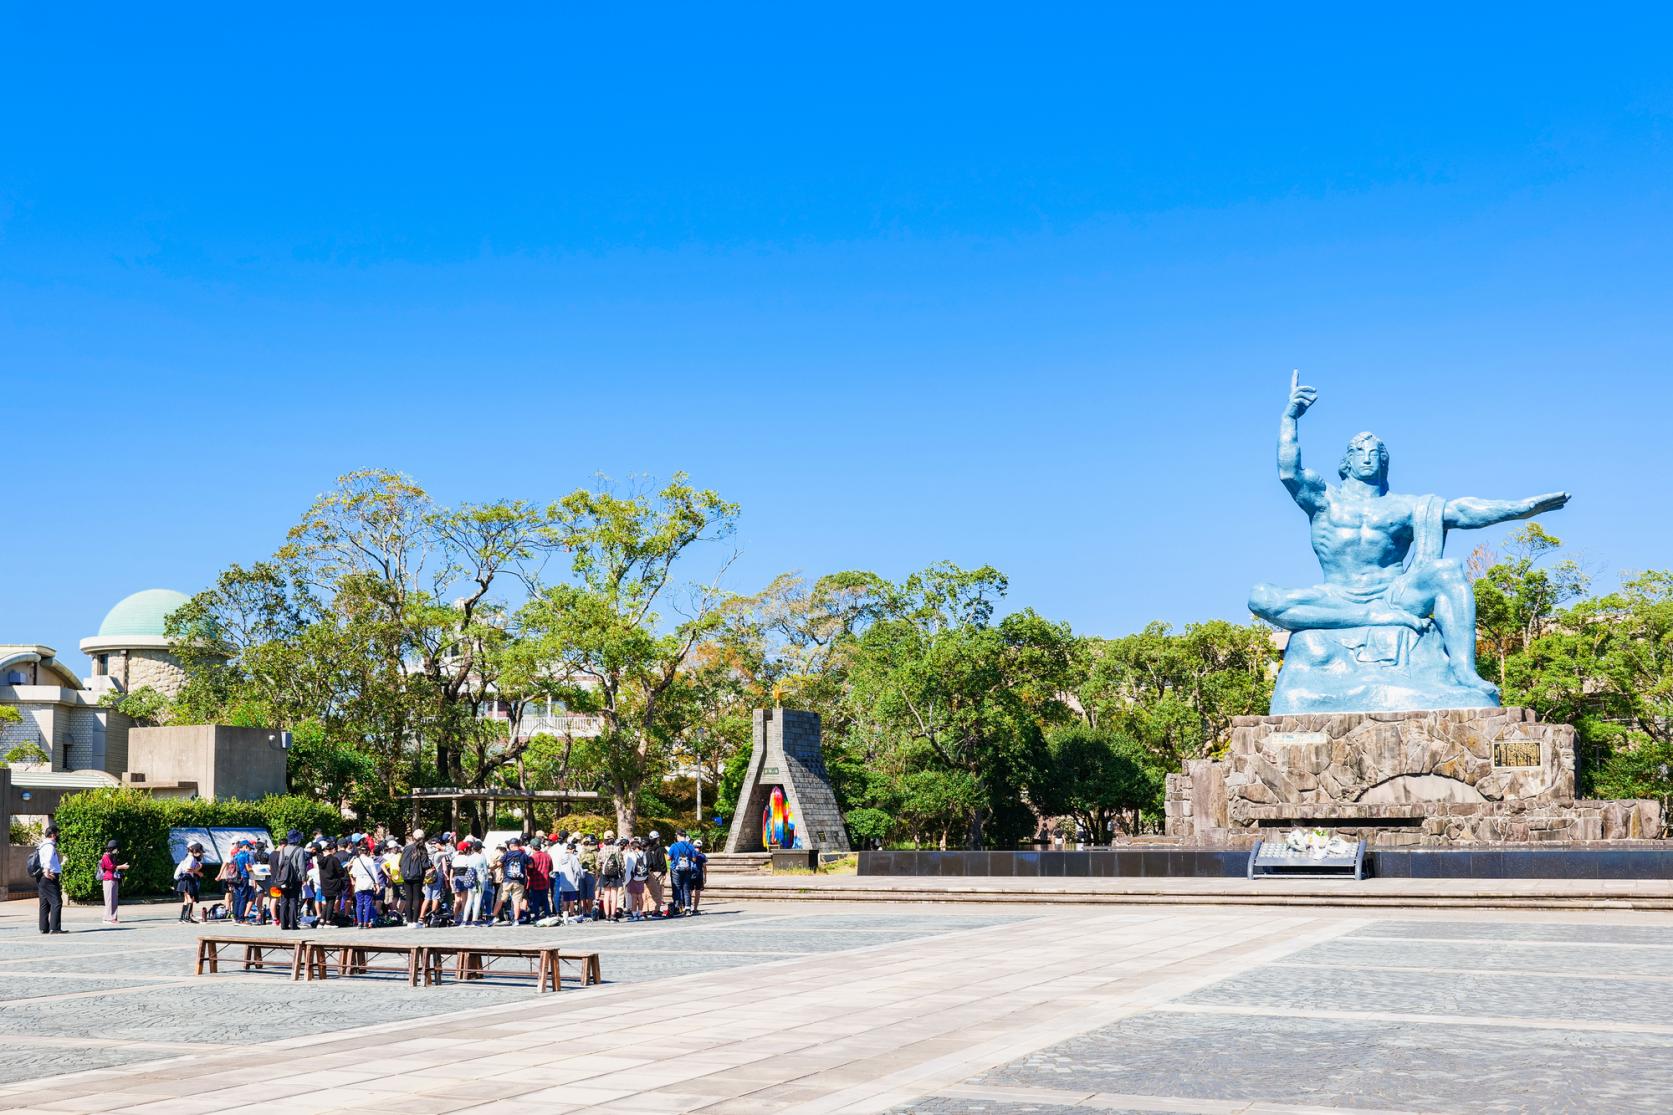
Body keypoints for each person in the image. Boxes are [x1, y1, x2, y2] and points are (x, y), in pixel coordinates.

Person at [271, 829, 308, 930]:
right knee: (293, 900)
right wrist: (304, 878)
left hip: (283, 879)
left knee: (284, 901)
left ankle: (284, 924)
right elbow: (301, 865)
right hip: (295, 879)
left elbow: (280, 864)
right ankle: (293, 924)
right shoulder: (299, 850)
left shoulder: (283, 849)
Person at [35, 824, 64, 934]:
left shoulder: (41, 845)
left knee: (44, 903)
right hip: (49, 876)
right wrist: (47, 871)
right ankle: (55, 928)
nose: (58, 836)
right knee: (57, 902)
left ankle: (44, 927)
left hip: (41, 878)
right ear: (52, 834)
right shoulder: (49, 846)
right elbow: (47, 860)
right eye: (57, 834)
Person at [497, 837, 531, 926]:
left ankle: (494, 917)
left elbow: (499, 863)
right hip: (519, 881)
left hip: (507, 880)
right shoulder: (523, 854)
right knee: (516, 901)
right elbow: (531, 865)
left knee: (501, 899)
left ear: (511, 846)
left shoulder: (507, 854)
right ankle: (516, 920)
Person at [451, 837, 485, 926]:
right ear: (480, 849)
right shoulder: (482, 857)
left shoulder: (469, 857)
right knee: (477, 901)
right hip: (479, 881)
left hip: (470, 880)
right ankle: (474, 920)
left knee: (469, 900)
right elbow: (485, 871)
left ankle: (464, 920)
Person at [399, 828, 429, 926]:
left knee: (408, 898)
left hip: (406, 876)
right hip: (417, 876)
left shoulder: (407, 848)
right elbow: (425, 865)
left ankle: (409, 921)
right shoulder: (422, 848)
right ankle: (415, 921)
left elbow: (401, 862)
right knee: (416, 898)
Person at [348, 843, 382, 929]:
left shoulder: (356, 861)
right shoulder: (370, 860)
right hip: (368, 883)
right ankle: (366, 922)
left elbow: (353, 873)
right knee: (367, 903)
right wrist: (377, 885)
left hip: (359, 883)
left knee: (359, 903)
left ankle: (359, 922)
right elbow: (375, 874)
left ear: (360, 852)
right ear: (367, 852)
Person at [98, 839, 129, 924]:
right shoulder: (105, 856)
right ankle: (107, 918)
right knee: (109, 900)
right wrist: (122, 866)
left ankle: (113, 917)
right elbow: (110, 867)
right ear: (113, 848)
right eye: (116, 849)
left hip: (113, 879)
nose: (117, 850)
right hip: (108, 880)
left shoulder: (112, 856)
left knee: (114, 900)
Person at [316, 838, 346, 927]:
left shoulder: (320, 861)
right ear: (332, 850)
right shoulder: (334, 859)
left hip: (324, 883)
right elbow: (341, 872)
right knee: (331, 902)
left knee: (327, 902)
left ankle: (321, 921)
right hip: (333, 883)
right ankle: (328, 921)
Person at [666, 830, 696, 916]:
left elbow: (668, 858)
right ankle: (688, 908)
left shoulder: (674, 845)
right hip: (687, 869)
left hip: (676, 869)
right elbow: (694, 859)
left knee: (676, 889)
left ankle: (677, 908)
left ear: (678, 836)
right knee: (686, 889)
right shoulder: (690, 846)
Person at [175, 841, 206, 923]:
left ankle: (183, 918)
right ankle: (187, 918)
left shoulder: (187, 857)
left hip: (184, 879)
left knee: (186, 899)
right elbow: (188, 869)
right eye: (198, 849)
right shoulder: (191, 858)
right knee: (190, 899)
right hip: (188, 879)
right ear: (193, 849)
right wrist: (198, 872)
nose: (199, 851)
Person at [553, 839, 581, 922]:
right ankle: (572, 914)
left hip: (563, 881)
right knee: (572, 899)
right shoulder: (573, 857)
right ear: (573, 850)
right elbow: (577, 870)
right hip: (572, 881)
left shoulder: (561, 857)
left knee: (565, 899)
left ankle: (565, 915)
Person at [527, 837, 553, 923]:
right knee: (545, 899)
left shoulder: (532, 857)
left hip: (535, 881)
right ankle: (548, 914)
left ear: (532, 847)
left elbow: (529, 870)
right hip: (545, 881)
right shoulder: (547, 856)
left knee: (535, 900)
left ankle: (536, 915)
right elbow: (550, 868)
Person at [597, 836, 624, 921]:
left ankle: (607, 915)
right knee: (614, 894)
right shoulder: (617, 849)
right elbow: (621, 862)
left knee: (606, 894)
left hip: (605, 873)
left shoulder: (602, 850)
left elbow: (598, 863)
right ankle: (613, 915)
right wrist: (622, 873)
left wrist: (601, 870)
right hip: (615, 873)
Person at [642, 830, 667, 917]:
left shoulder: (647, 850)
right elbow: (663, 861)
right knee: (658, 891)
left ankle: (646, 909)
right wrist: (664, 871)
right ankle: (656, 909)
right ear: (657, 839)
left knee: (647, 891)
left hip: (649, 872)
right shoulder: (660, 849)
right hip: (659, 872)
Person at [623, 837, 647, 922]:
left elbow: (628, 868)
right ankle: (640, 913)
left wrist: (626, 880)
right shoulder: (643, 854)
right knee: (640, 896)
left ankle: (634, 914)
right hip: (641, 877)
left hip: (633, 878)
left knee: (633, 897)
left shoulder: (630, 855)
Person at [578, 834, 599, 919]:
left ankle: (583, 911)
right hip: (591, 874)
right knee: (590, 894)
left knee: (583, 894)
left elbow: (578, 864)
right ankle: (589, 912)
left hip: (582, 875)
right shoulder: (594, 853)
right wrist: (597, 873)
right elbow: (597, 865)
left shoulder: (580, 852)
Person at [688, 838, 708, 915]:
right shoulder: (702, 856)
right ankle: (695, 909)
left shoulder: (690, 854)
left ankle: (688, 907)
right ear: (701, 847)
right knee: (697, 892)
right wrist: (705, 877)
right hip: (699, 875)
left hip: (690, 874)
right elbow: (704, 867)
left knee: (689, 892)